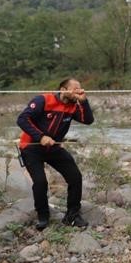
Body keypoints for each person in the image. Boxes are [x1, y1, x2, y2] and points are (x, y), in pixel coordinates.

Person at [17, 78, 94, 230]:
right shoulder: (43, 100)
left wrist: (84, 102)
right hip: (31, 147)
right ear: (63, 90)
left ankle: (72, 215)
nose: (79, 91)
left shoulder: (73, 107)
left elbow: (88, 120)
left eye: (80, 88)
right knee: (40, 182)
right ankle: (43, 217)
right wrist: (41, 137)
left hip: (53, 148)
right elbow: (22, 119)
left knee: (75, 177)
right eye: (75, 88)